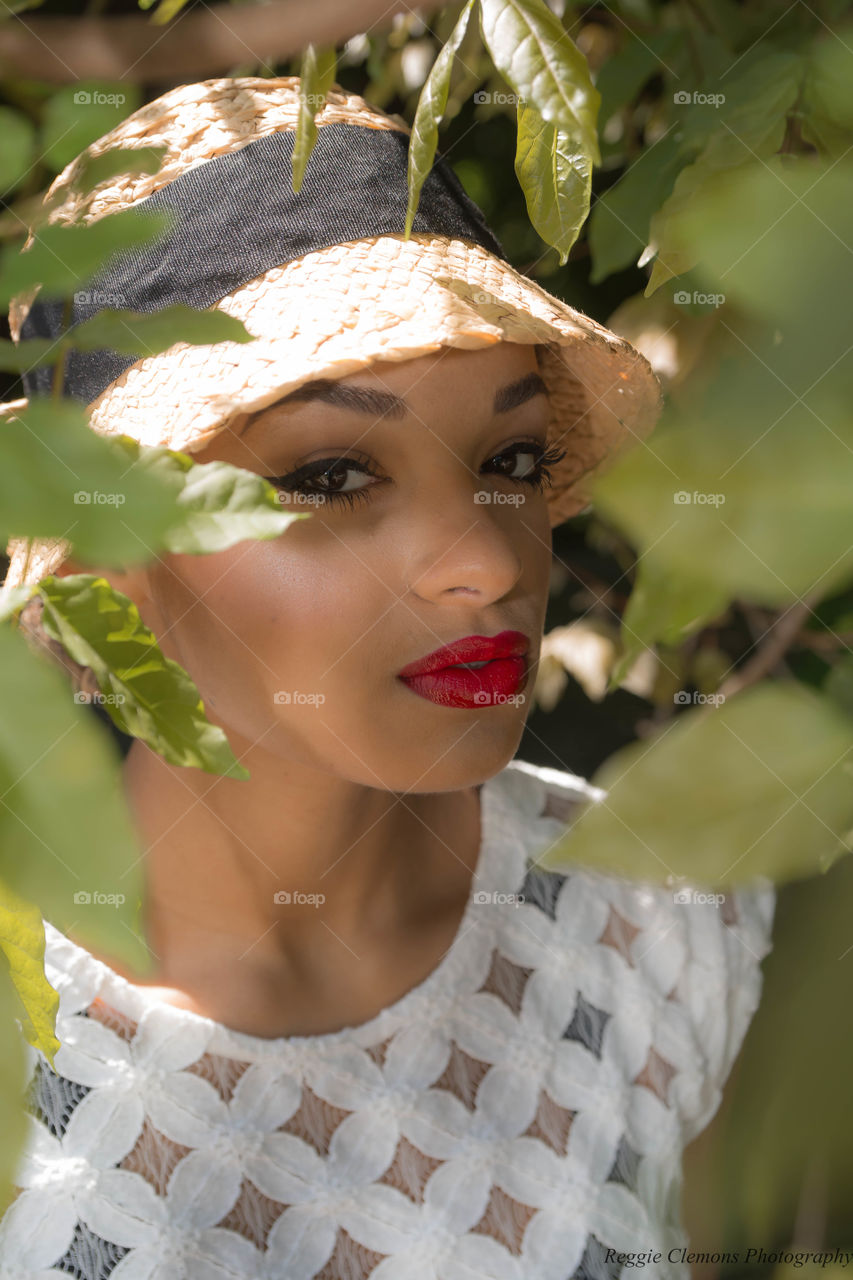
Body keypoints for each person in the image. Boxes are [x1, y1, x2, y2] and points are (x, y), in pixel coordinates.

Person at [0, 77, 774, 1279]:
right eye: (329, 477)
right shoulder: (27, 1074)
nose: (481, 560)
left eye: (509, 458)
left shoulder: (654, 922)